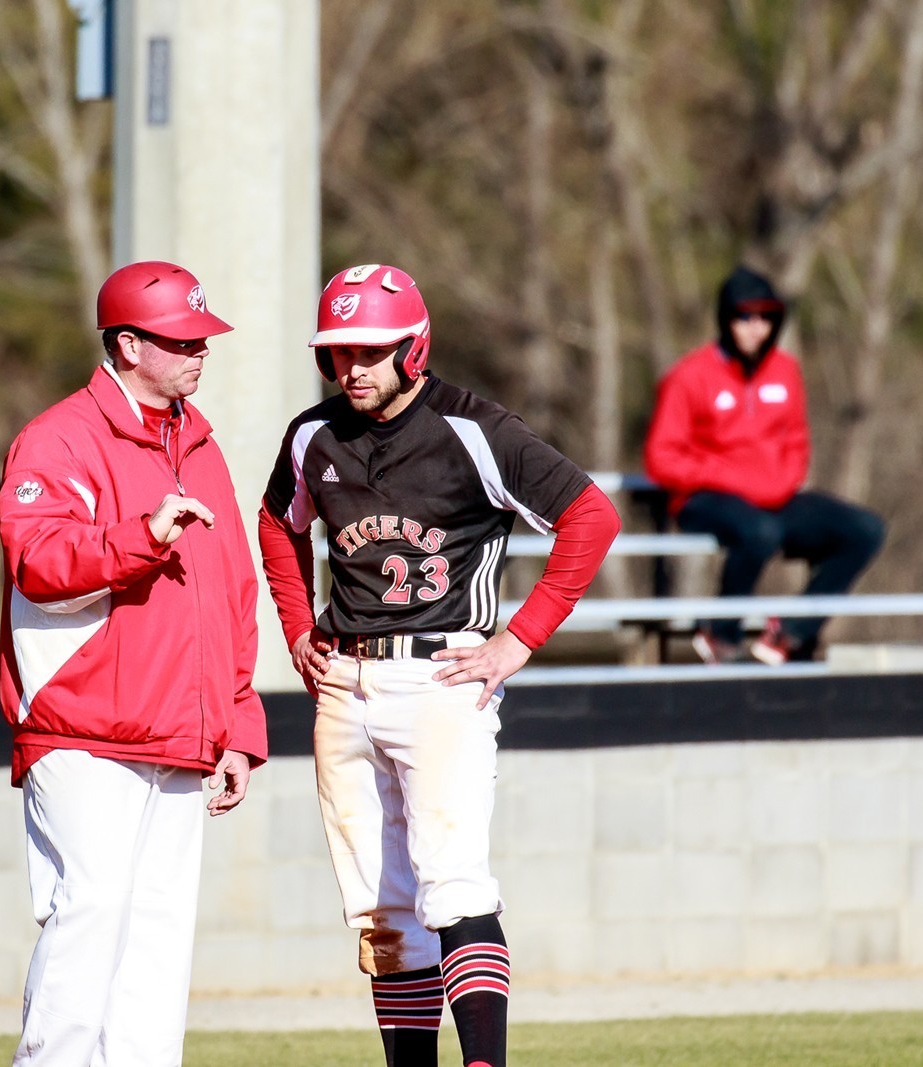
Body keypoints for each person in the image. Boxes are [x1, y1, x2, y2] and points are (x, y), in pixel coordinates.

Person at [256, 263, 620, 1067]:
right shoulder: (312, 435)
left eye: (370, 350)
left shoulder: (475, 429)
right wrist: (295, 626)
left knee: (453, 882)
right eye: (338, 351)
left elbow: (590, 515)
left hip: (441, 677)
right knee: (385, 912)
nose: (352, 366)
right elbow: (277, 524)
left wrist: (518, 639)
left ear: (412, 348)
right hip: (344, 681)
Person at [0, 260, 268, 1066]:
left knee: (156, 943)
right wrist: (141, 536)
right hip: (82, 729)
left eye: (202, 336)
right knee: (91, 917)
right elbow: (38, 561)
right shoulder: (60, 437)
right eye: (181, 339)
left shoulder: (201, 443)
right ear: (126, 344)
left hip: (179, 734)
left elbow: (233, 593)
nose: (199, 351)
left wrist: (237, 724)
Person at [643, 265, 887, 665]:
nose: (756, 327)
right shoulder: (690, 376)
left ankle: (791, 631)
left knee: (864, 530)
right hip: (705, 499)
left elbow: (796, 441)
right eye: (745, 316)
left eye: (766, 317)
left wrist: (781, 479)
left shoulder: (785, 369)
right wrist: (728, 477)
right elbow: (661, 458)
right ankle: (720, 631)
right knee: (760, 531)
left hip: (775, 499)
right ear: (726, 319)